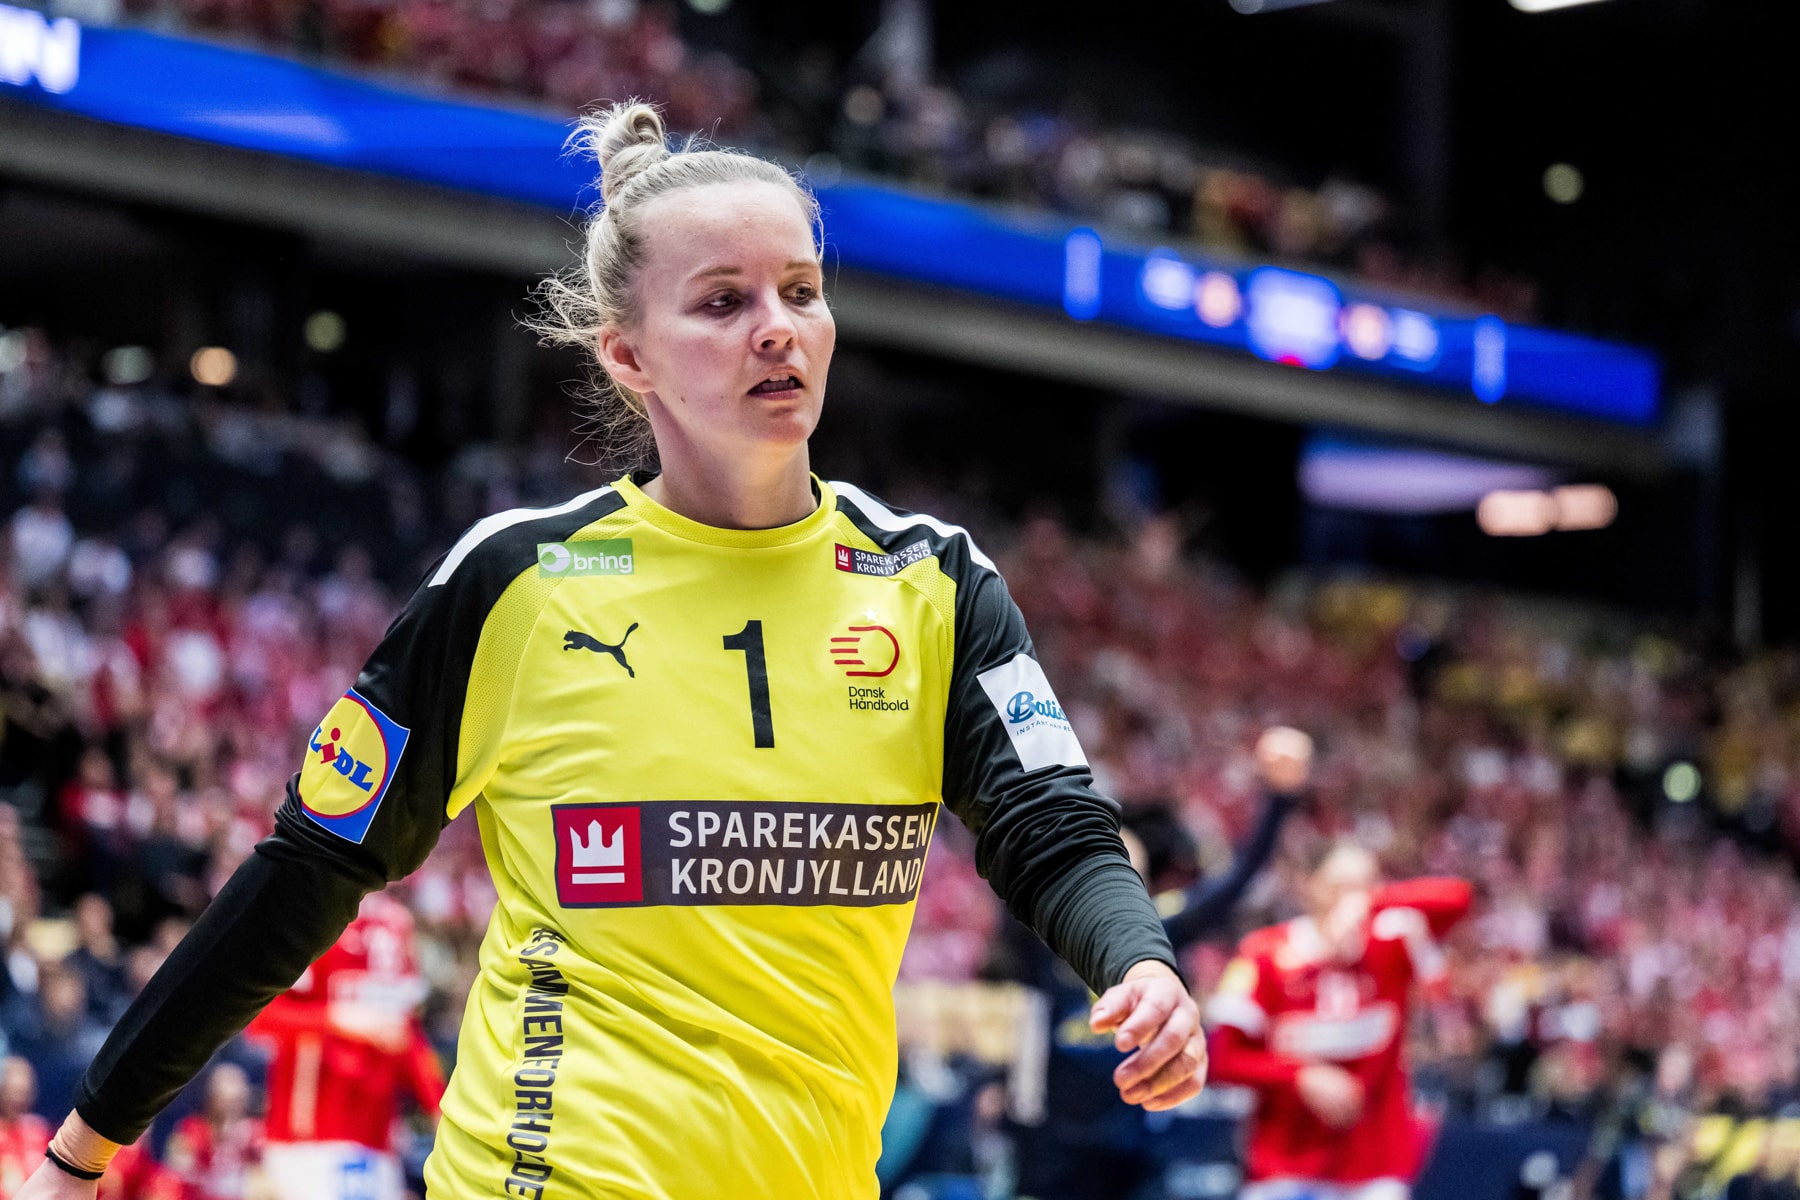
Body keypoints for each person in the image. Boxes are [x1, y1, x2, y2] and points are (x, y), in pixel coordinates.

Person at [18, 100, 1204, 1199]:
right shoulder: (517, 581)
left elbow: (1051, 826)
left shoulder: (934, 581)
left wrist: (1135, 962)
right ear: (627, 356)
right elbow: (309, 871)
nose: (778, 331)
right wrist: (85, 1146)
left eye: (802, 290)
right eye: (724, 302)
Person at [1014, 725, 1313, 1200]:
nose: (1107, 884)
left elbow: (1237, 879)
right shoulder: (1042, 926)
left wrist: (1279, 800)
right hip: (1056, 1143)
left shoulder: (1160, 923)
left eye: (1122, 867)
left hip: (1136, 1142)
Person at [1205, 843, 1472, 1200]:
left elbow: (1458, 897)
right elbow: (1222, 1060)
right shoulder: (1265, 954)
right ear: (1310, 885)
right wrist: (1301, 1076)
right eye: (1339, 886)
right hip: (1283, 1167)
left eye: (1363, 886)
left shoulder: (1391, 946)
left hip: (1373, 1171)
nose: (1350, 900)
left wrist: (1373, 902)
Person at [240, 893, 438, 1200]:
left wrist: (439, 1107)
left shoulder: (396, 924)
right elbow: (260, 1016)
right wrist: (337, 1017)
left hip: (378, 1143)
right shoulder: (319, 916)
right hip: (306, 1142)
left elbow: (408, 1036)